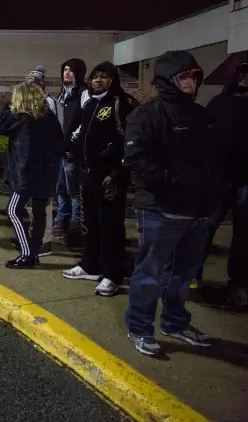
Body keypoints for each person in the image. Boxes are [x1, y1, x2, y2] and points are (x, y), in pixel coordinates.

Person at [123, 50, 223, 357]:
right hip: (161, 209)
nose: (191, 82)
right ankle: (139, 327)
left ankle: (175, 323)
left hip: (198, 212)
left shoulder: (201, 115)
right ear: (168, 80)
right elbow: (136, 157)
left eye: (194, 76)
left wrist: (212, 194)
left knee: (182, 274)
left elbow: (211, 160)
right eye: (184, 77)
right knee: (150, 273)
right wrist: (174, 184)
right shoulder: (148, 114)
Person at [61, 62, 138, 295]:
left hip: (109, 179)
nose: (98, 80)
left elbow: (127, 142)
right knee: (90, 223)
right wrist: (75, 153)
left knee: (111, 227)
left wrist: (116, 173)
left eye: (104, 77)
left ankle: (112, 274)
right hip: (88, 174)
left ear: (113, 80)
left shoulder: (121, 104)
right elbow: (82, 135)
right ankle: (90, 264)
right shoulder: (90, 104)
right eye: (95, 77)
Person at [0, 83, 64, 268]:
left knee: (13, 211)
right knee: (40, 214)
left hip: (25, 172)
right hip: (47, 172)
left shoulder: (19, 117)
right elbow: (61, 143)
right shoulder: (49, 117)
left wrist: (7, 106)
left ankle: (27, 254)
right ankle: (34, 254)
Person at [203, 61, 248, 307]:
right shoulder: (218, 104)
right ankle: (191, 275)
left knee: (243, 235)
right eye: (241, 73)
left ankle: (238, 285)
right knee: (205, 228)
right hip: (219, 178)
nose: (245, 77)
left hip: (245, 180)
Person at [53, 58, 89, 247]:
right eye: (65, 69)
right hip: (60, 150)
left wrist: (71, 142)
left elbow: (84, 123)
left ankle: (75, 224)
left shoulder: (83, 94)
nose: (66, 73)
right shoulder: (62, 94)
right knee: (61, 189)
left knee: (74, 190)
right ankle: (62, 219)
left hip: (72, 151)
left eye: (71, 70)